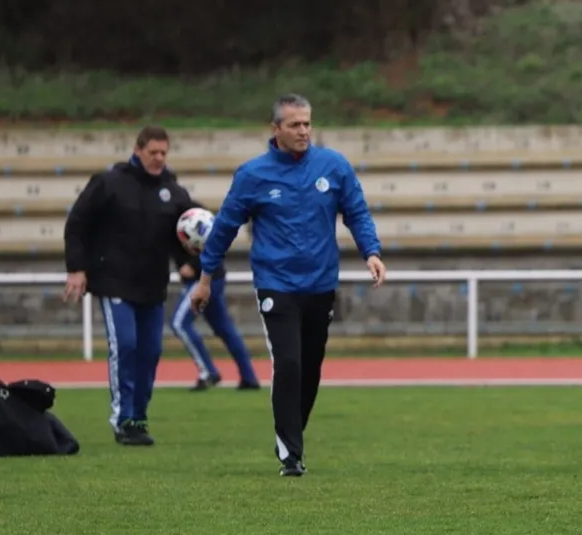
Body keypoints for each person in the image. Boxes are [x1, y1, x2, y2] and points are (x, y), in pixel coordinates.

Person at [190, 93, 386, 477]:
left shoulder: (334, 166)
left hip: (320, 283)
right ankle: (290, 455)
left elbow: (357, 212)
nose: (303, 131)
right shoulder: (252, 175)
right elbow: (225, 228)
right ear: (275, 128)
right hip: (275, 284)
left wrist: (372, 253)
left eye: (308, 123)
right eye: (295, 125)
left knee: (310, 369)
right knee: (290, 362)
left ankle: (291, 435)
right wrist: (205, 277)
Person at [63, 125, 198, 447]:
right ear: (138, 150)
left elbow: (183, 232)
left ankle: (138, 418)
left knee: (150, 352)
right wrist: (77, 269)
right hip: (114, 282)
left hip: (152, 285)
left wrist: (186, 262)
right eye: (153, 152)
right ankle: (122, 419)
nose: (159, 158)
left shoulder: (172, 190)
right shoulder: (109, 182)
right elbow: (77, 224)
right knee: (125, 346)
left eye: (164, 153)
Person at [171, 251, 261, 391]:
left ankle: (209, 372)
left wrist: (193, 264)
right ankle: (249, 377)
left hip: (201, 279)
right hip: (213, 276)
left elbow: (207, 238)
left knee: (179, 323)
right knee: (224, 327)